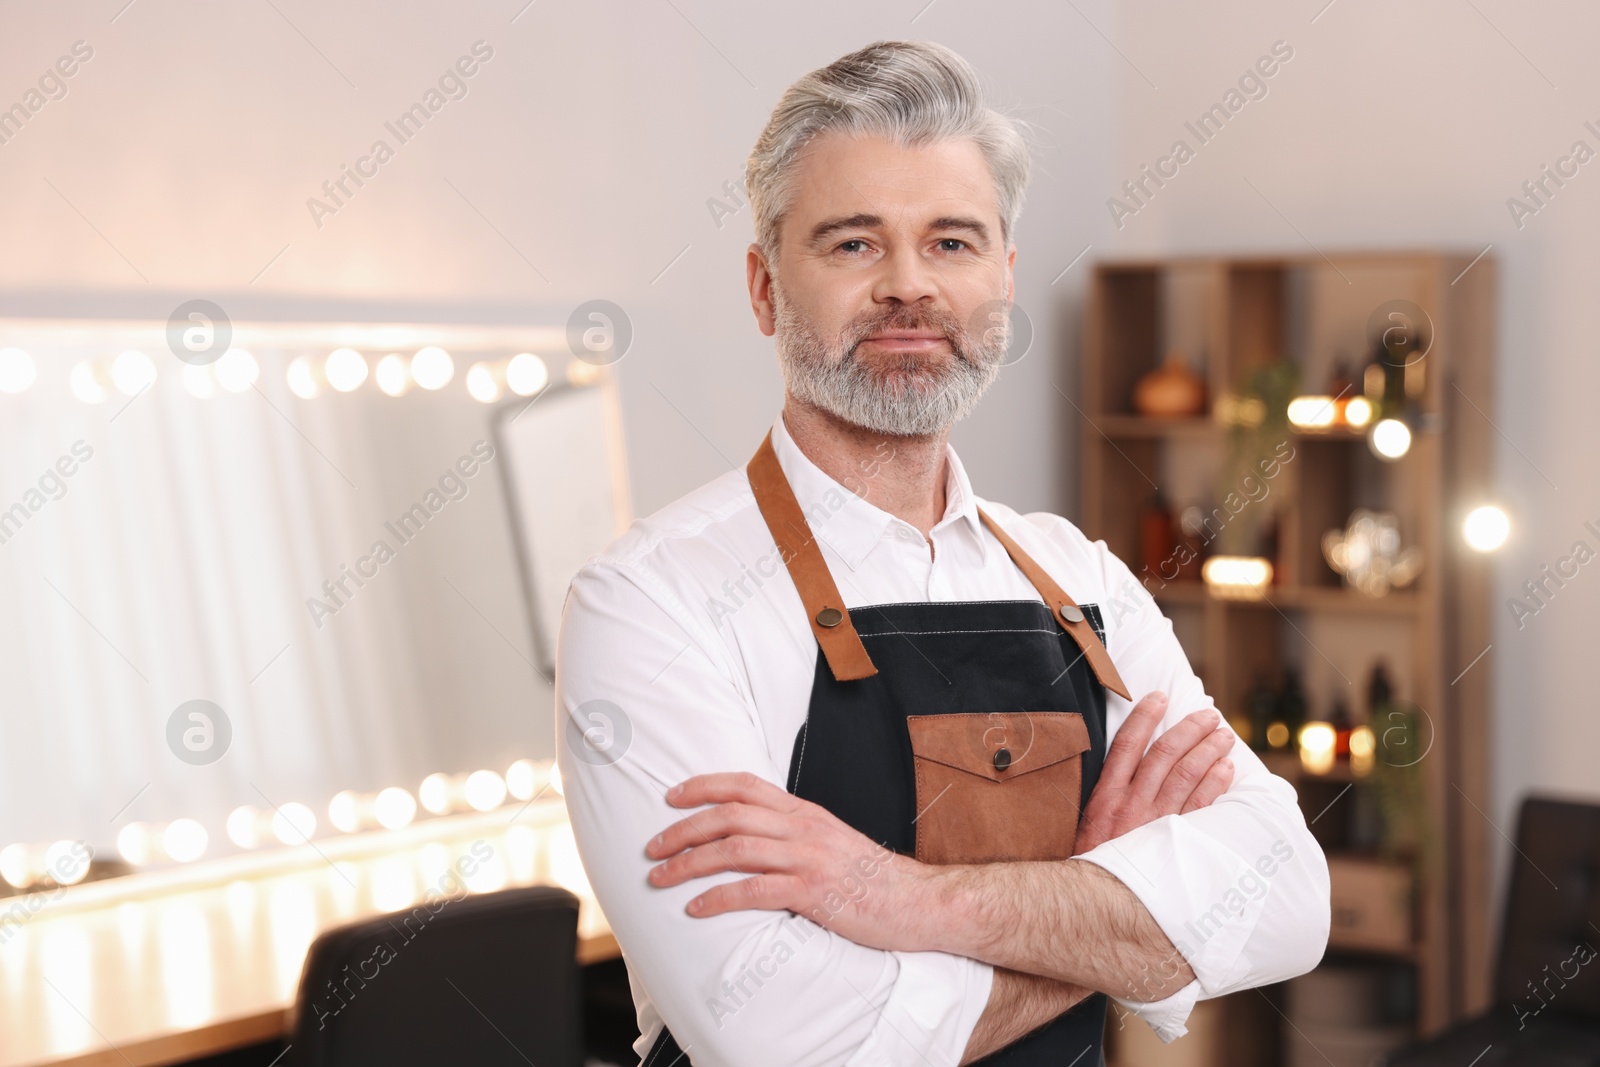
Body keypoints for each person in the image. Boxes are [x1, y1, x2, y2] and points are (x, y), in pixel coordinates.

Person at [556, 39, 1329, 1066]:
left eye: (952, 243)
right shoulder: (650, 601)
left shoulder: (1081, 577)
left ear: (1002, 280)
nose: (908, 286)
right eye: (852, 244)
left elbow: (1283, 897)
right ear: (761, 287)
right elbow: (789, 1040)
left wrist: (894, 895)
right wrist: (1101, 906)